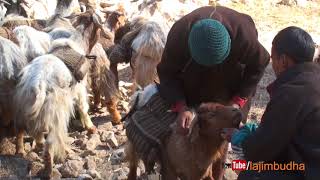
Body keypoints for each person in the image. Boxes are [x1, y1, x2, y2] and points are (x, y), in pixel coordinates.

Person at [157, 6, 270, 135]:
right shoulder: (179, 34)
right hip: (193, 82)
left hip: (231, 81)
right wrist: (181, 107)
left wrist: (237, 102)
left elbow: (259, 64)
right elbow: (167, 72)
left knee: (231, 128)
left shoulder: (244, 37)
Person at [229, 26, 319, 180]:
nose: (273, 64)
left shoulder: (292, 92)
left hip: (307, 170)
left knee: (249, 175)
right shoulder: (314, 78)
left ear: (283, 60)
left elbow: (260, 150)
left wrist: (240, 138)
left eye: (273, 59)